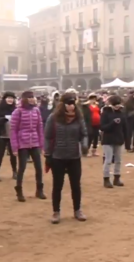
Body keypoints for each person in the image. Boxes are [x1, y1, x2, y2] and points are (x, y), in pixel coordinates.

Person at [44, 92, 88, 224]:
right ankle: (56, 212)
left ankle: (77, 210)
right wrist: (47, 153)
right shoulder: (53, 118)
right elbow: (47, 136)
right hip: (58, 156)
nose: (71, 107)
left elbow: (84, 133)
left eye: (73, 104)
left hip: (74, 156)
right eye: (69, 104)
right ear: (63, 105)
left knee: (76, 185)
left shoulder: (78, 118)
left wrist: (85, 145)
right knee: (58, 185)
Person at [10, 91, 46, 202]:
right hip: (22, 143)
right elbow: (13, 130)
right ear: (24, 99)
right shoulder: (18, 111)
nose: (31, 99)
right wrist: (15, 147)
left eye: (32, 97)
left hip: (34, 142)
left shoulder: (36, 110)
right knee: (22, 168)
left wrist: (41, 144)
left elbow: (40, 128)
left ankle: (39, 190)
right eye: (29, 97)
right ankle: (19, 190)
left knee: (39, 168)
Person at [100, 95, 127, 188]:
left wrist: (126, 139)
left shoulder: (121, 113)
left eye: (118, 104)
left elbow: (125, 127)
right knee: (108, 160)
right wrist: (113, 123)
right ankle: (106, 179)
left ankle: (117, 178)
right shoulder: (105, 113)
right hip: (108, 140)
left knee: (118, 160)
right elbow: (102, 127)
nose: (117, 106)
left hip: (119, 139)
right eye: (115, 104)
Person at [0, 92, 17, 182]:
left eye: (12, 98)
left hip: (12, 135)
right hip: (2, 135)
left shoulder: (15, 109)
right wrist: (4, 118)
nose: (10, 100)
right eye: (8, 98)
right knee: (0, 155)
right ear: (4, 99)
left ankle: (15, 172)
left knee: (13, 155)